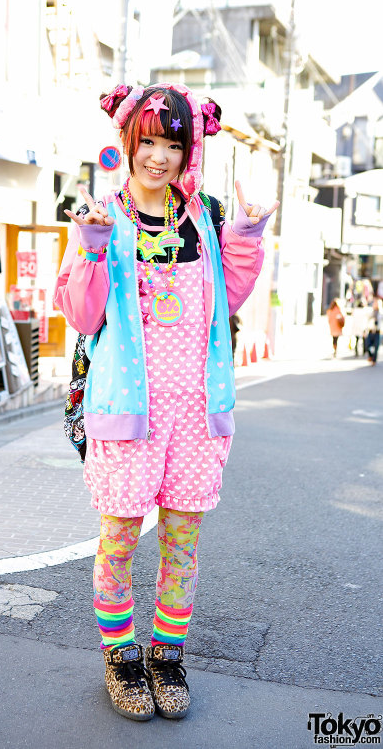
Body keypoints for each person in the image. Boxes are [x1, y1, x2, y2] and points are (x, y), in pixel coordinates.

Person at [54, 83, 278, 722]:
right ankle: (121, 656)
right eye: (147, 140)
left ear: (188, 150)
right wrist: (91, 248)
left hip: (195, 411)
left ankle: (167, 654)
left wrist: (246, 230)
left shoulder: (204, 217)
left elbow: (226, 299)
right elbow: (81, 312)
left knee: (182, 541)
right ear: (129, 141)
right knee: (119, 539)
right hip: (129, 413)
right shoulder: (103, 216)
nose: (158, 156)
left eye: (172, 143)